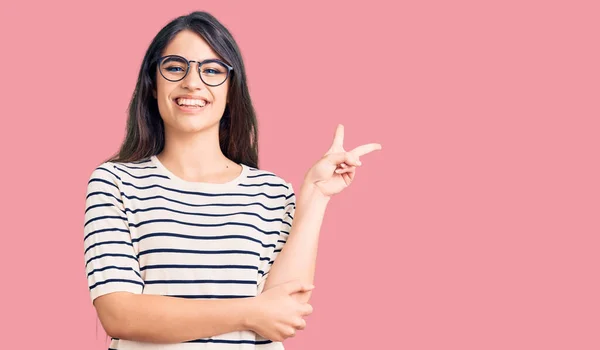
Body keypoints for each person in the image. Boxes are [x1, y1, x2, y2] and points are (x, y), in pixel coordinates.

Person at [83, 11, 381, 350]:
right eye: (175, 67)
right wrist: (248, 312)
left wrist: (315, 196)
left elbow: (284, 314)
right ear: (153, 83)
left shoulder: (272, 192)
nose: (193, 82)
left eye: (211, 71)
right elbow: (120, 315)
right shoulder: (116, 182)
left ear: (230, 89)